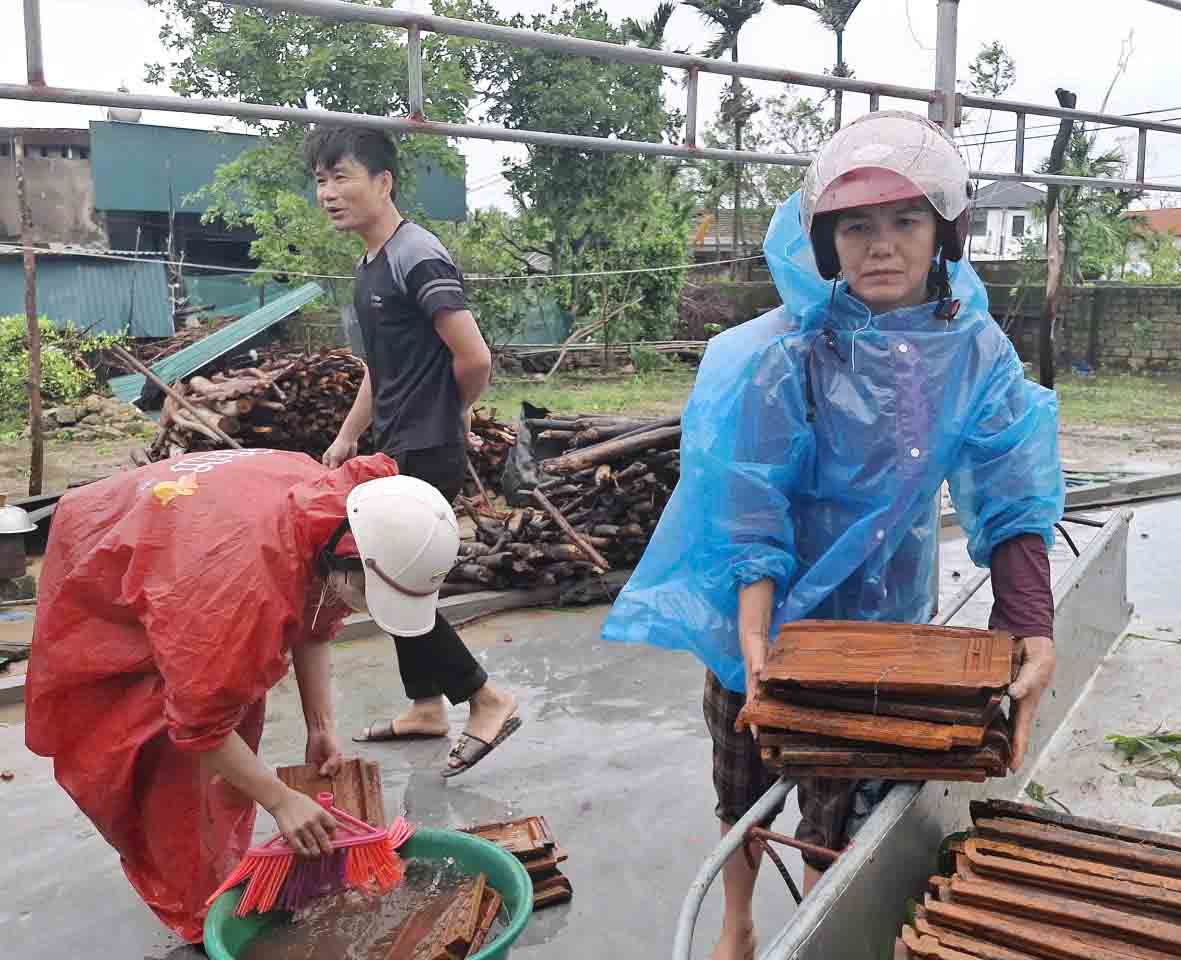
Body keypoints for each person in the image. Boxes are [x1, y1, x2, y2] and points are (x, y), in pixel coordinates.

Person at [602, 112, 1064, 960]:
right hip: (765, 610)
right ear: (825, 241)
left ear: (944, 233)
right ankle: (738, 924)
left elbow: (1011, 482)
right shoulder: (788, 355)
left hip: (881, 614)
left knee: (840, 794)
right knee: (744, 780)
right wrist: (755, 643)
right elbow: (752, 500)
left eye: (905, 221)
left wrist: (1028, 617)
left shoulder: (975, 352)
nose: (880, 245)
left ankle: (813, 933)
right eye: (856, 225)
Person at [25, 449, 460, 942]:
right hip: (104, 550)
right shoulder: (233, 594)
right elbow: (196, 724)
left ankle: (220, 867)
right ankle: (202, 917)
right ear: (348, 557)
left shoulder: (335, 511)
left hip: (188, 541)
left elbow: (315, 615)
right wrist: (280, 800)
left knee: (226, 706)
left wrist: (321, 726)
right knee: (164, 773)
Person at [305, 126, 520, 777]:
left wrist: (444, 414)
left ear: (382, 182)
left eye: (340, 176)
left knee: (384, 579)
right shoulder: (370, 266)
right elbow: (381, 368)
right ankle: (427, 706)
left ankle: (487, 698)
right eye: (320, 180)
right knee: (383, 571)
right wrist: (347, 435)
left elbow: (474, 357)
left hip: (426, 450)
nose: (328, 193)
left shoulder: (416, 255)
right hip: (394, 446)